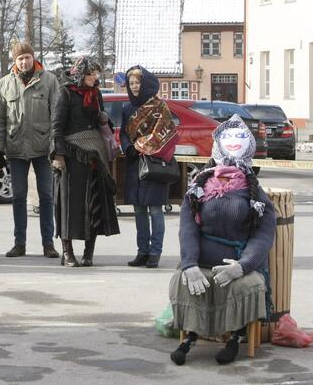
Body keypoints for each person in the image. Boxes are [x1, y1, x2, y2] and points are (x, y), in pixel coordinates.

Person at [169, 114, 276, 366]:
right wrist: (190, 263)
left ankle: (236, 337)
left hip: (237, 265)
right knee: (184, 281)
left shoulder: (255, 194)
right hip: (201, 261)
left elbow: (263, 235)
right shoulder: (198, 187)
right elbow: (187, 228)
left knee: (244, 286)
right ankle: (190, 336)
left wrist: (242, 266)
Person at [0, 42, 61, 258]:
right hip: (16, 148)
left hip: (43, 148)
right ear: (15, 61)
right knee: (18, 195)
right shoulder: (4, 84)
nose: (24, 62)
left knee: (47, 196)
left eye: (27, 57)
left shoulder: (49, 80)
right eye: (20, 58)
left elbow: (57, 116)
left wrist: (56, 147)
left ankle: (48, 243)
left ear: (34, 58)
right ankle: (19, 243)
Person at [50, 57, 120, 267]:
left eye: (96, 74)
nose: (94, 78)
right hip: (72, 157)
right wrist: (58, 155)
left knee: (95, 203)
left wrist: (105, 119)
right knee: (69, 205)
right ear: (80, 74)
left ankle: (89, 252)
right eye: (90, 74)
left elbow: (102, 122)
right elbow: (56, 126)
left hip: (95, 157)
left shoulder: (96, 93)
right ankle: (68, 252)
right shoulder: (65, 93)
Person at [120, 66, 178, 269]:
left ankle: (155, 252)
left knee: (155, 209)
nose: (135, 87)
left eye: (137, 83)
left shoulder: (160, 106)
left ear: (146, 84)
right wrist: (128, 147)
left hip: (155, 163)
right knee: (138, 210)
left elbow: (167, 132)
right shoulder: (127, 108)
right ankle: (142, 252)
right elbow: (123, 133)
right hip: (135, 163)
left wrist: (145, 146)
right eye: (131, 83)